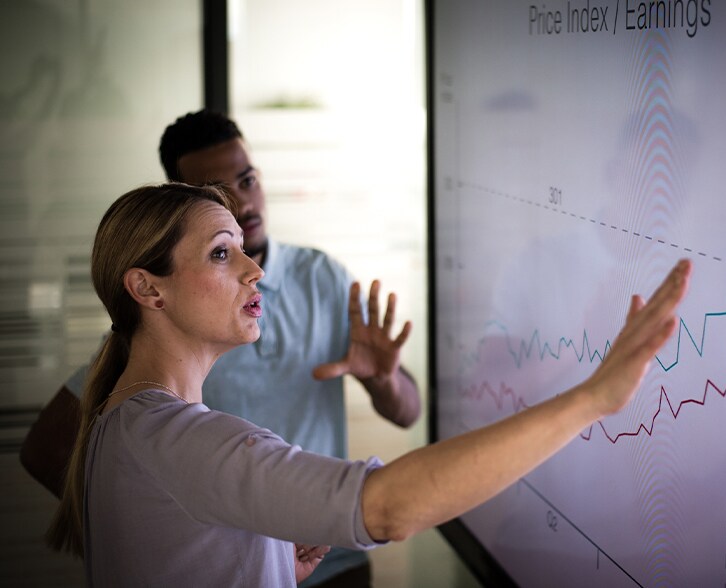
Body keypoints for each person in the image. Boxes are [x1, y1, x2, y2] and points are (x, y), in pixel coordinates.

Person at [46, 182, 691, 586]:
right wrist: (589, 399)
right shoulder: (174, 436)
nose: (254, 272)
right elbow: (387, 508)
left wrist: (267, 567)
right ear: (146, 288)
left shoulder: (125, 421)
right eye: (221, 253)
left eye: (243, 248)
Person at [20, 110, 421, 586]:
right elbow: (388, 506)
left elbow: (408, 411)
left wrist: (260, 557)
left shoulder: (323, 279)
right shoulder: (171, 415)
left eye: (248, 180)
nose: (245, 203)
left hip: (319, 560)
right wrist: (181, 546)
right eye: (218, 251)